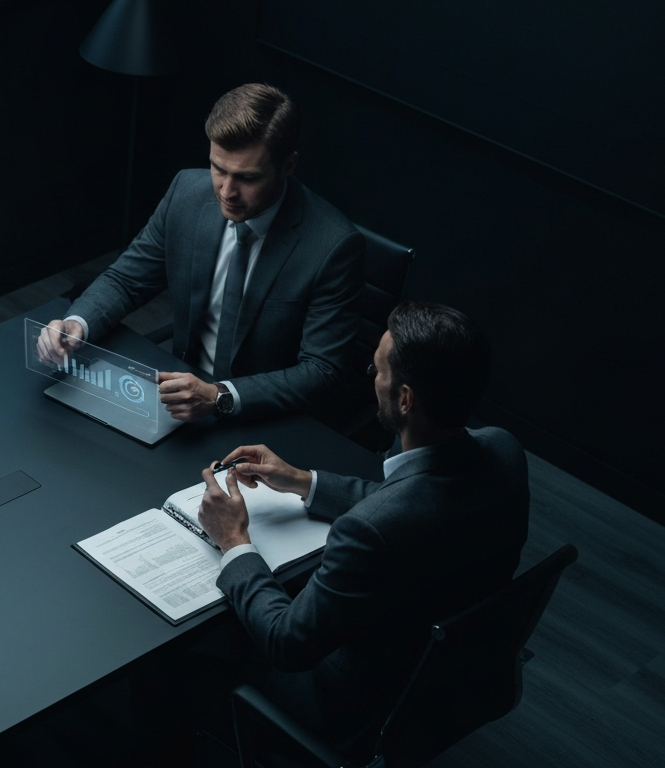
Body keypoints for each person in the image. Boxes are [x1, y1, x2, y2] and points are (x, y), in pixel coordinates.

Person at [196, 300, 529, 760]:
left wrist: (233, 541)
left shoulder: (369, 532)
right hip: (447, 675)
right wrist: (302, 481)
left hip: (347, 703)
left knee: (196, 651)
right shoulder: (504, 450)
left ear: (405, 399)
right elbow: (418, 501)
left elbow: (286, 643)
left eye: (377, 370)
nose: (371, 378)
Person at [36, 83, 364, 423]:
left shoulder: (333, 247)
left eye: (247, 178)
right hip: (178, 400)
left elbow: (322, 371)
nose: (227, 191)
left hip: (262, 418)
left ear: (288, 165)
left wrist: (219, 397)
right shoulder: (187, 193)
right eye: (218, 168)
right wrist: (77, 323)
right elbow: (126, 280)